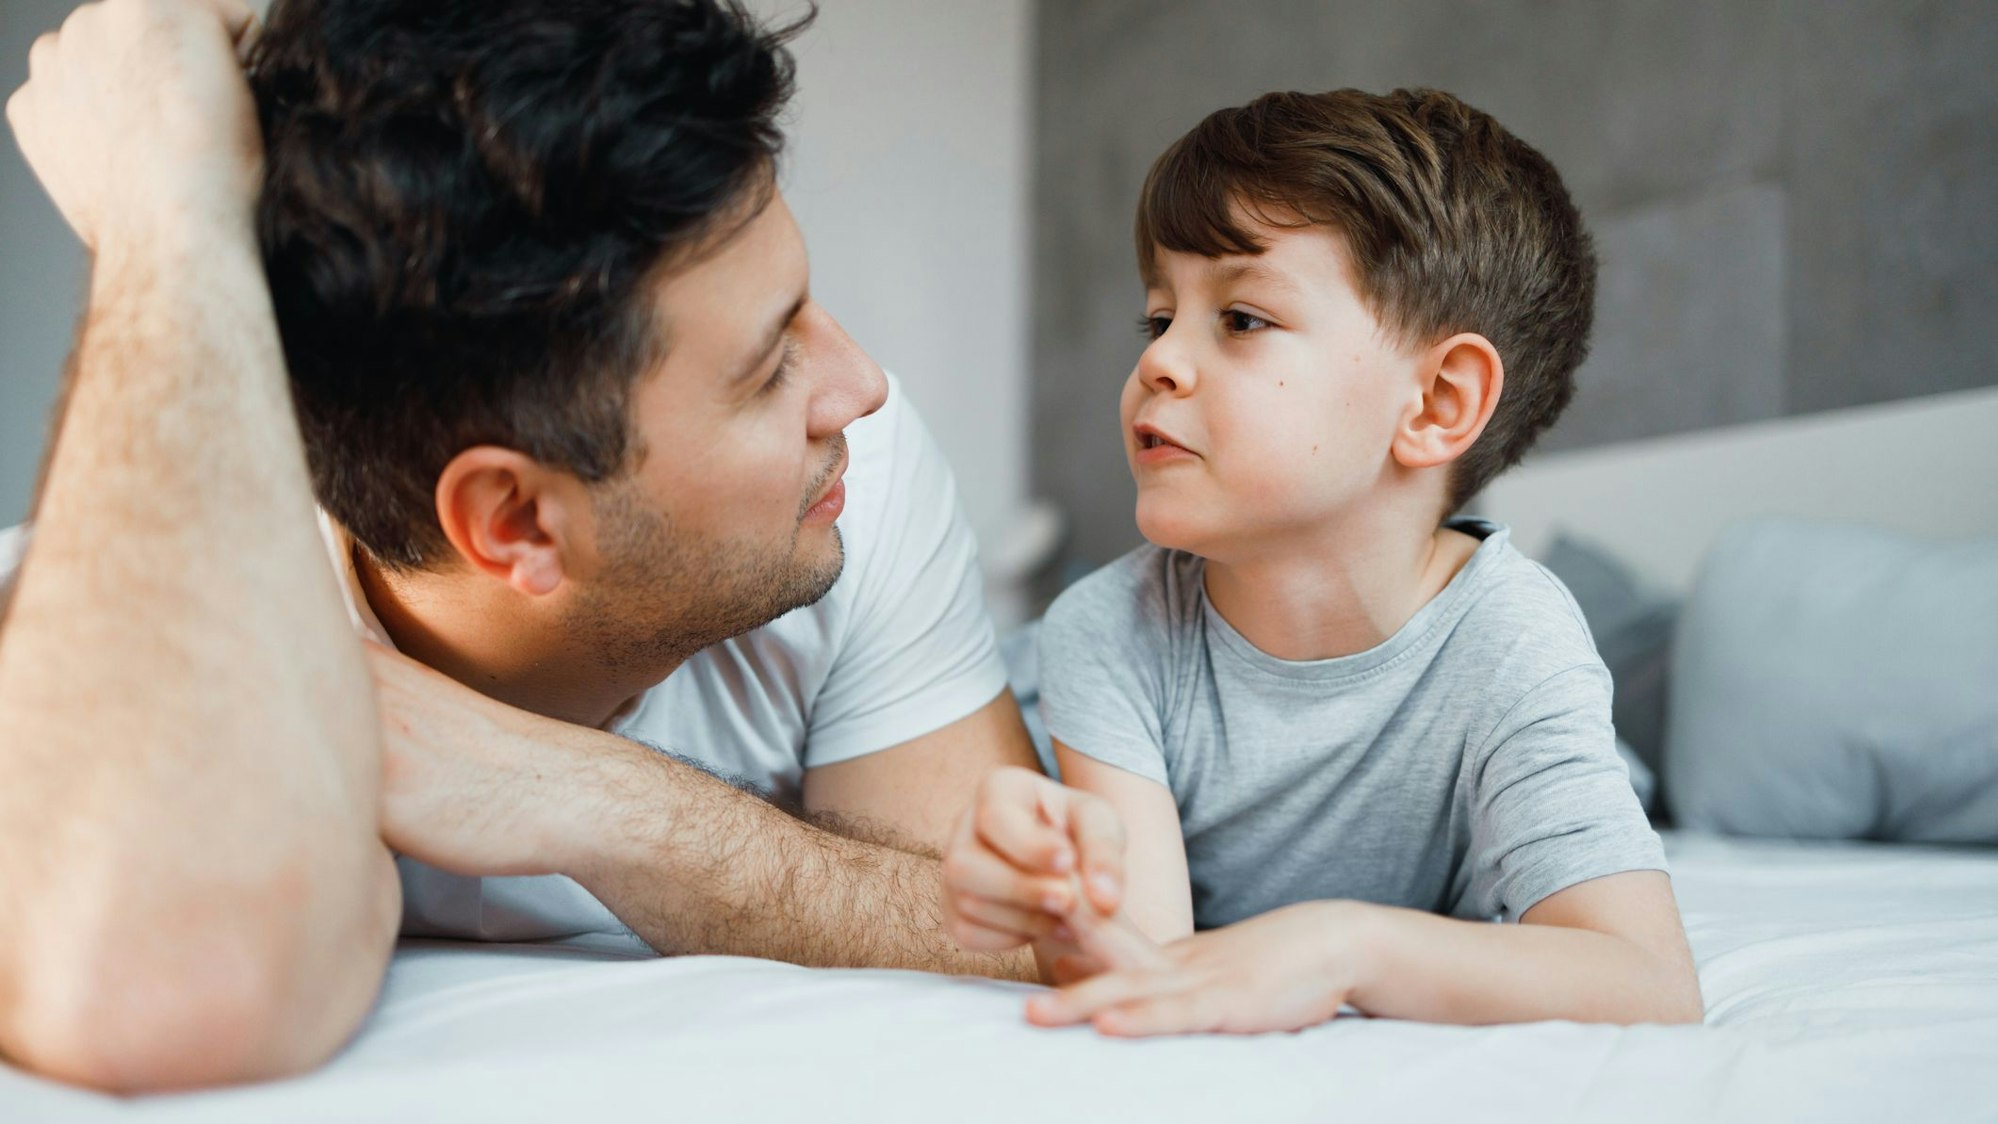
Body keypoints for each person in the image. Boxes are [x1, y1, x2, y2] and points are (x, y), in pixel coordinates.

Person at [0, 0, 1039, 1092]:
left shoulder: (839, 473)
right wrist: (167, 214)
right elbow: (147, 994)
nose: (860, 388)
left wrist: (581, 795)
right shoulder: (125, 624)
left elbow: (1035, 935)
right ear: (516, 522)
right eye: (766, 366)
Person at [937, 88, 1705, 1035]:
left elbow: (1650, 983)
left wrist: (1345, 946)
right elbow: (1150, 968)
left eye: (1243, 318)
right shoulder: (1109, 629)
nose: (1157, 362)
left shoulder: (1513, 638)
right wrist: (1061, 907)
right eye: (1158, 318)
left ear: (1435, 404)